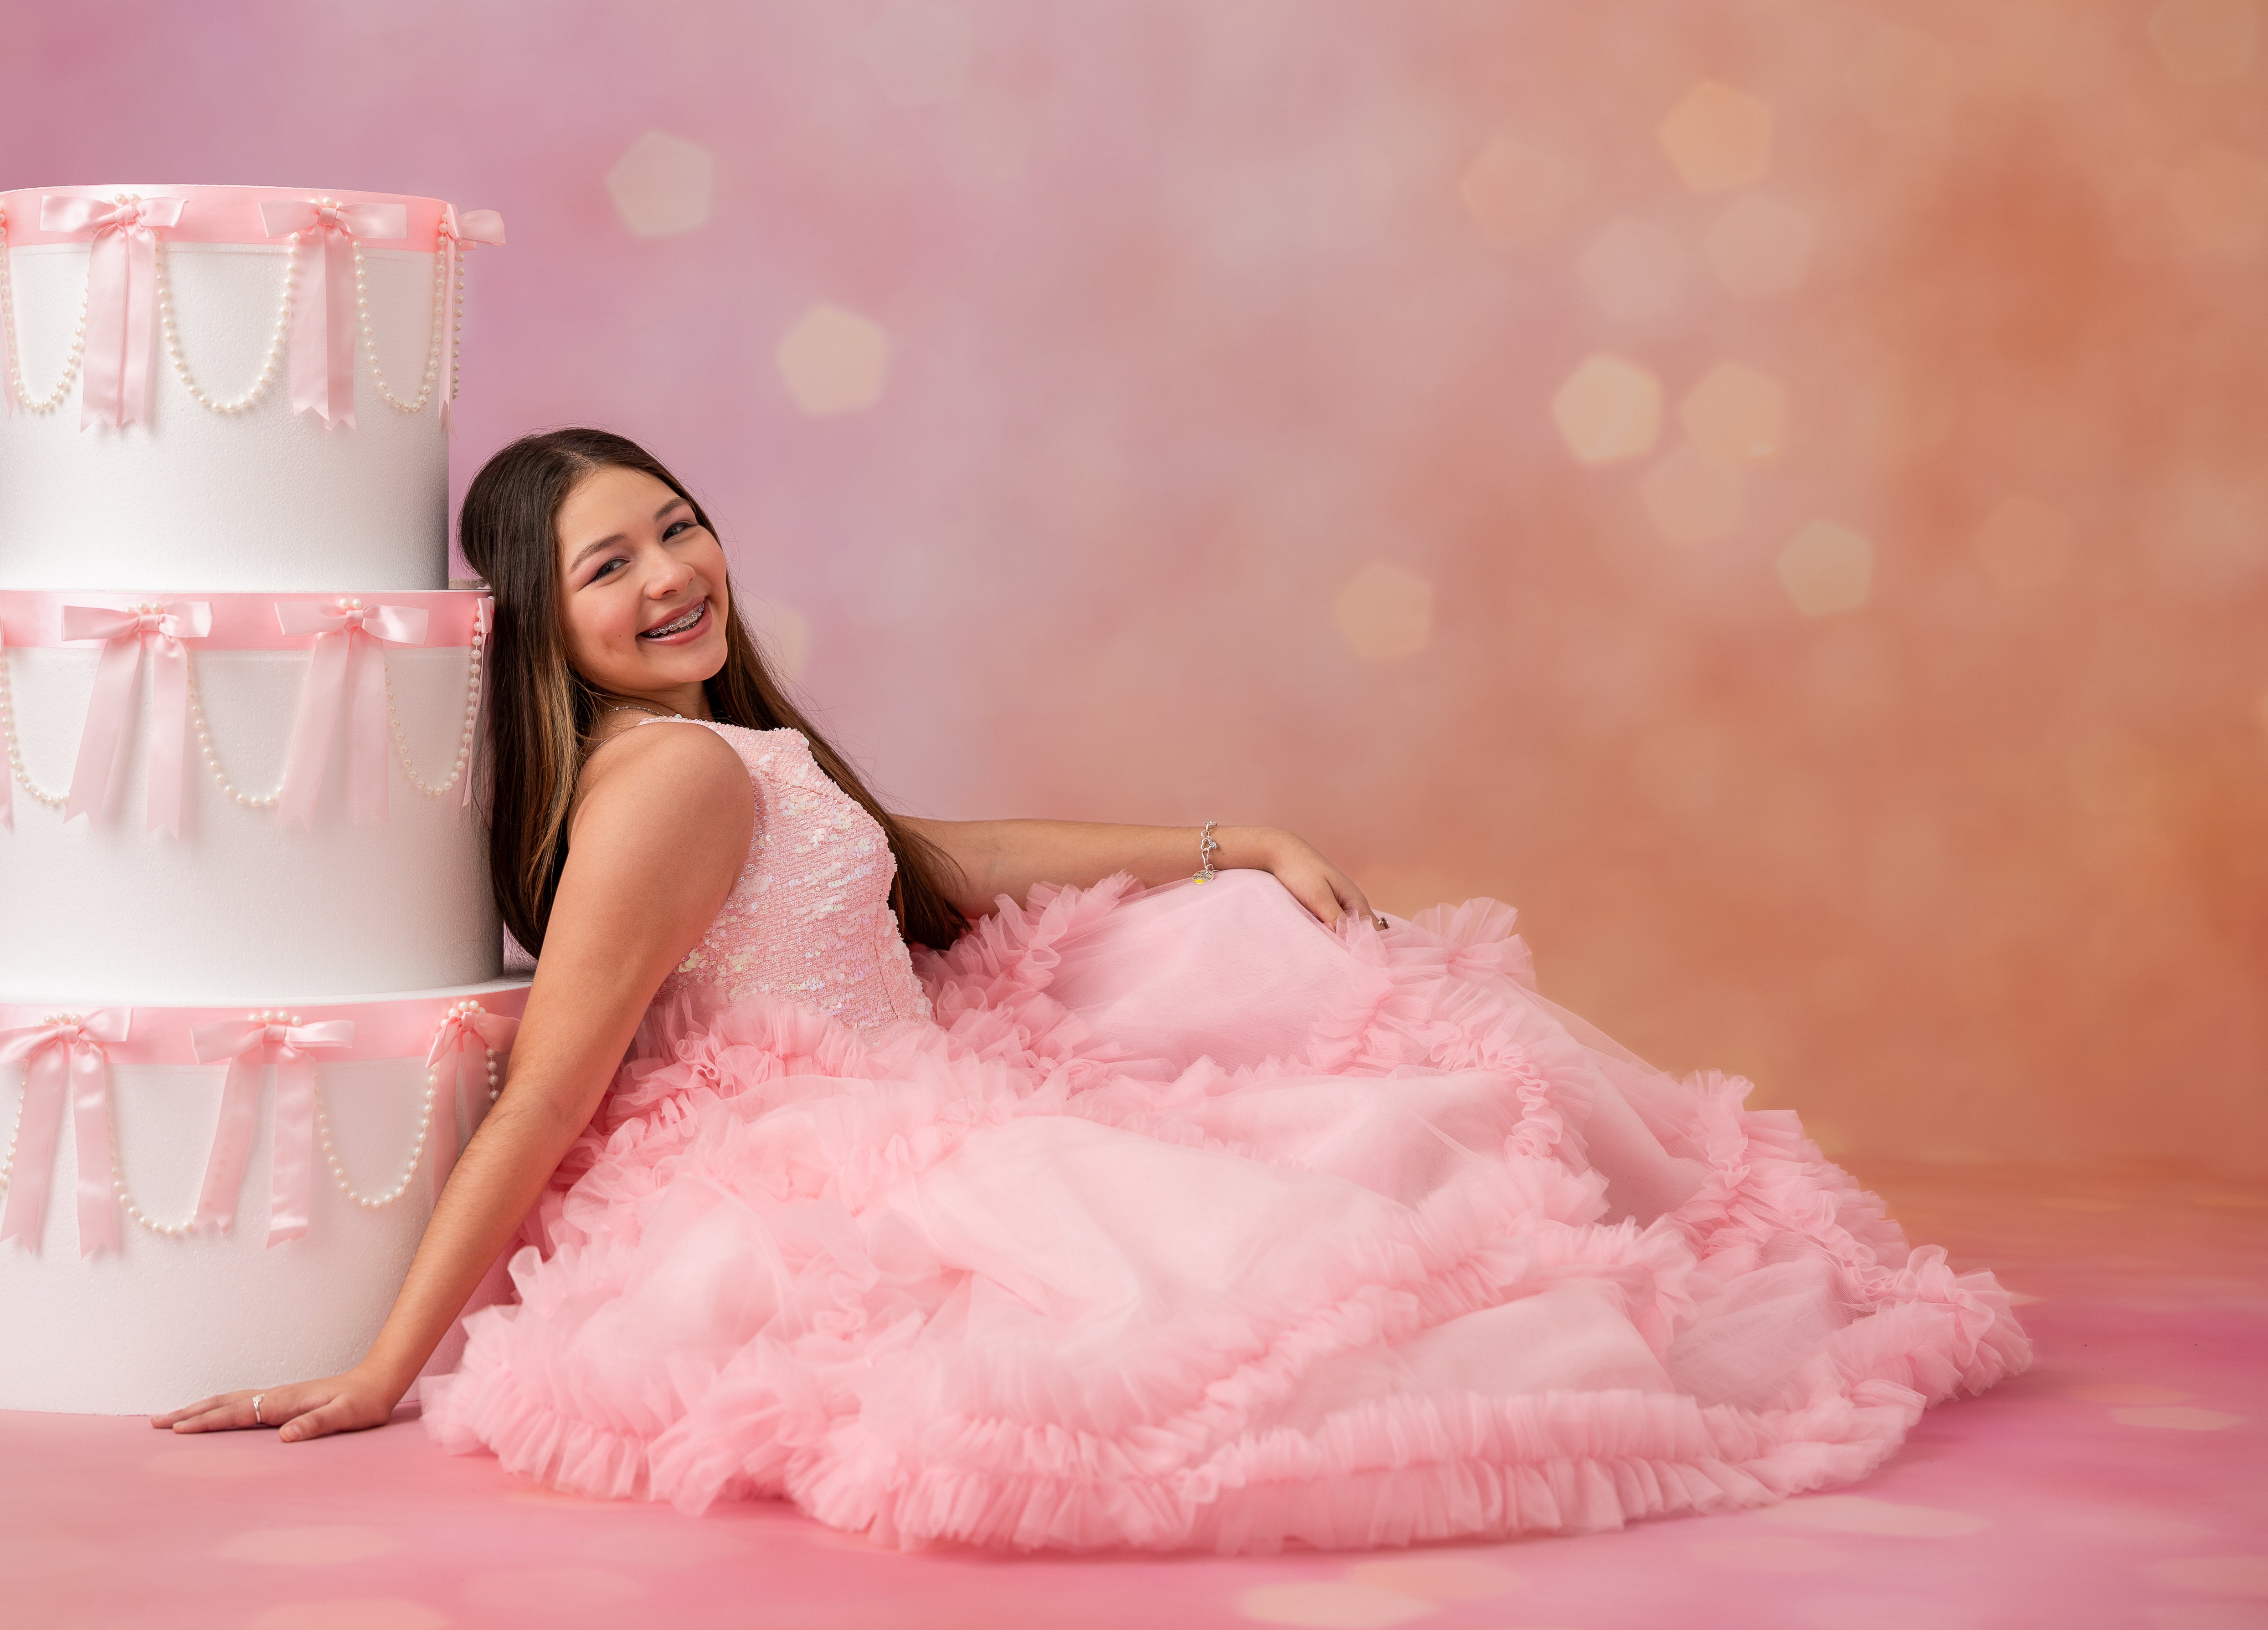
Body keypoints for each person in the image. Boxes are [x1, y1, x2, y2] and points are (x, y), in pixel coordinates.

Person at [156, 428, 2029, 1553]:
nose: (669, 575)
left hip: (927, 1074)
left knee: (1307, 1027)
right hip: (843, 1143)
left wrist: (1225, 842)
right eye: (606, 566)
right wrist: (383, 1362)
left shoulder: (725, 750)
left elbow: (923, 848)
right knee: (1270, 1254)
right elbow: (553, 1089)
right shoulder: (668, 784)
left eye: (676, 527)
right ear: (540, 629)